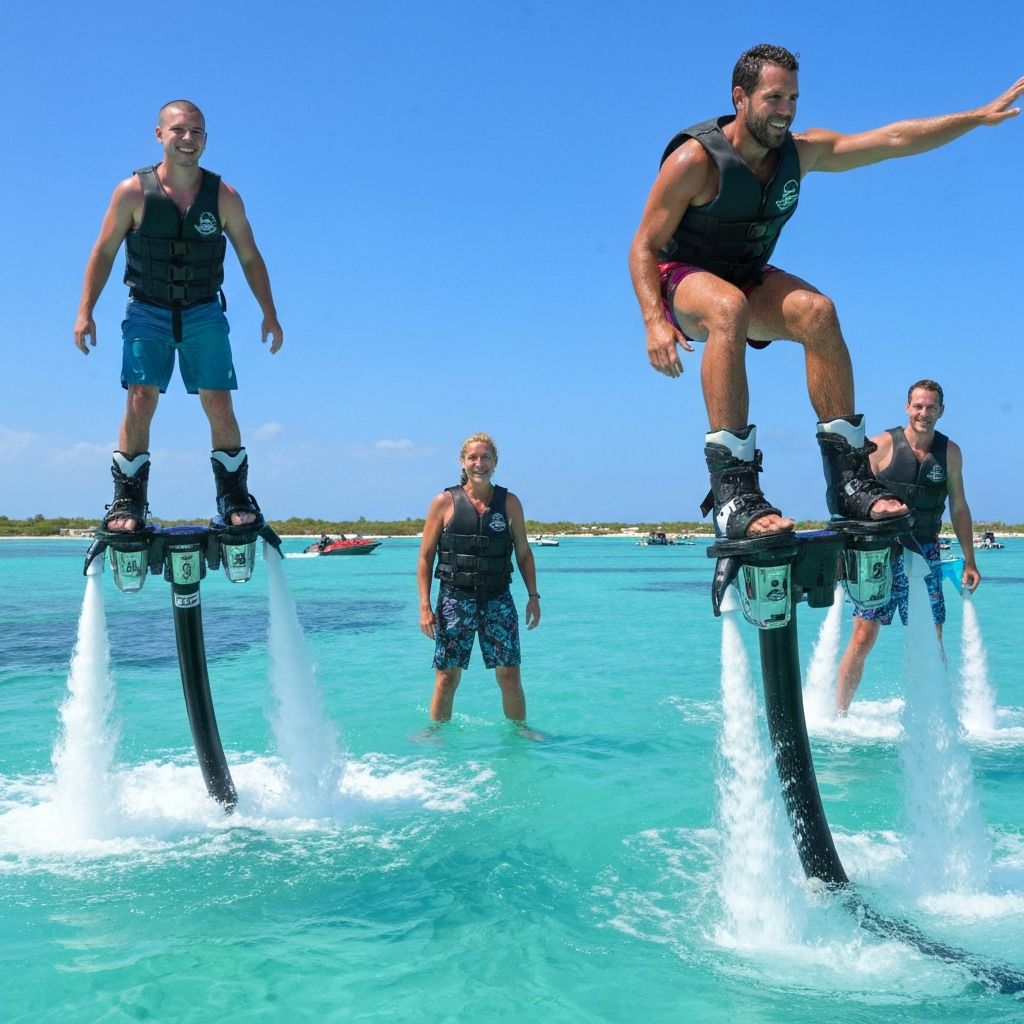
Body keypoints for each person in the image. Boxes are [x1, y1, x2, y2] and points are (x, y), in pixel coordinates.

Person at [629, 44, 1023, 540]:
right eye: (775, 98)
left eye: (793, 98)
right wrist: (652, 321)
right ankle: (733, 492)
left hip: (748, 274)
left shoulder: (801, 151)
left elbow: (894, 139)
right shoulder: (695, 160)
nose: (787, 110)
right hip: (681, 277)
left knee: (818, 311)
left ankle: (849, 481)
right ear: (740, 97)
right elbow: (642, 245)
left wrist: (977, 117)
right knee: (727, 306)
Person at [73, 99, 284, 532]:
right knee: (140, 397)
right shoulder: (131, 192)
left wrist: (270, 313)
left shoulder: (224, 197)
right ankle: (128, 501)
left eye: (197, 132)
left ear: (205, 139)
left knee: (218, 400)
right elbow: (104, 251)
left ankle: (234, 496)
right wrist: (85, 311)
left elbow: (249, 255)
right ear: (160, 135)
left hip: (203, 311)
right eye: (179, 131)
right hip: (146, 310)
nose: (188, 140)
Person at [835, 380, 982, 713]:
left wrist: (970, 561)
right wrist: (846, 553)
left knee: (932, 638)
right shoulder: (881, 445)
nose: (924, 413)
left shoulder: (950, 453)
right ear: (907, 407)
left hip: (925, 552)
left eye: (931, 407)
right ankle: (839, 714)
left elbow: (959, 507)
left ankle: (935, 712)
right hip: (879, 554)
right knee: (863, 635)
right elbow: (850, 497)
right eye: (918, 406)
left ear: (941, 411)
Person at [417, 433, 541, 723]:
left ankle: (519, 739)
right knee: (446, 677)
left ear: (495, 462)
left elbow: (523, 552)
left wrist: (533, 597)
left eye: (485, 457)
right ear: (463, 462)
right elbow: (425, 557)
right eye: (473, 457)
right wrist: (424, 606)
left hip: (497, 598)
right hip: (454, 599)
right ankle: (437, 740)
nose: (479, 463)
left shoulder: (509, 503)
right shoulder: (443, 502)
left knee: (510, 675)